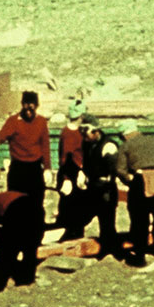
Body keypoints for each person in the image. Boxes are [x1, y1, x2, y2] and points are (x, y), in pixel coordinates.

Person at [114, 120, 154, 266]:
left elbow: (120, 169)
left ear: (124, 135)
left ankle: (139, 255)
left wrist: (130, 180)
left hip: (140, 180)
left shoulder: (126, 145)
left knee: (139, 218)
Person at [0, 91, 52, 213]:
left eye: (31, 109)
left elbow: (45, 145)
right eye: (26, 108)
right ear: (22, 105)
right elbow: (3, 133)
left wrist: (47, 168)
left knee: (36, 203)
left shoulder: (41, 122)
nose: (28, 112)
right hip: (18, 169)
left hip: (35, 169)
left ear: (36, 106)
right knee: (15, 203)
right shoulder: (13, 121)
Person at [76, 114, 122, 254]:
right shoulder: (87, 143)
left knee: (107, 223)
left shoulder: (108, 145)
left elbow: (113, 170)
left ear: (96, 131)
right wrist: (83, 173)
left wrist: (106, 184)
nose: (84, 136)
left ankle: (109, 251)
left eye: (86, 132)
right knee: (80, 217)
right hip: (92, 187)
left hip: (105, 189)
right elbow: (86, 162)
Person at [54, 100, 88, 239]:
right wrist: (67, 178)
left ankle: (75, 232)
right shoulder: (69, 133)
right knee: (71, 207)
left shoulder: (77, 131)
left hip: (78, 172)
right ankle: (71, 234)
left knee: (78, 206)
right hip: (71, 173)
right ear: (81, 116)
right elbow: (65, 158)